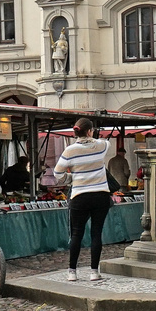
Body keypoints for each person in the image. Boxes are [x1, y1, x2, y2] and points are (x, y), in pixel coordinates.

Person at [57, 118, 117, 282]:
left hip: (79, 196)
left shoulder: (69, 150)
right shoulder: (102, 146)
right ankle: (93, 272)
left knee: (77, 233)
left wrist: (72, 178)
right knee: (96, 234)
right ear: (90, 131)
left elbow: (57, 173)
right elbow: (105, 142)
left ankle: (72, 272)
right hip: (100, 195)